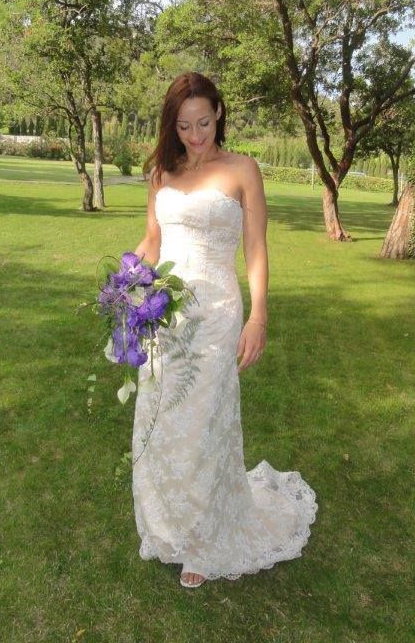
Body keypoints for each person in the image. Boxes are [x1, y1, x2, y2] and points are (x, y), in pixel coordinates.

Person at [132, 72, 317, 588]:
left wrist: (259, 316)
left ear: (219, 114)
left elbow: (255, 248)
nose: (196, 135)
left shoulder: (242, 169)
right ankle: (166, 526)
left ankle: (205, 539)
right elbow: (152, 241)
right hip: (163, 315)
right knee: (162, 419)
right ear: (173, 125)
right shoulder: (161, 174)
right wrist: (128, 284)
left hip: (215, 312)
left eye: (205, 123)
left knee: (204, 421)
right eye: (185, 125)